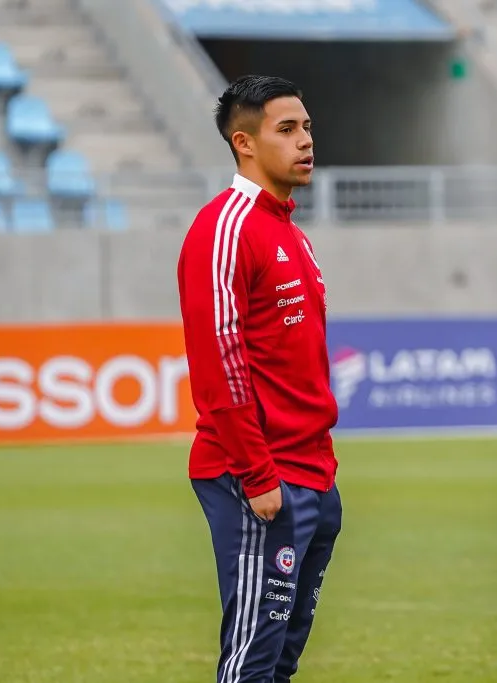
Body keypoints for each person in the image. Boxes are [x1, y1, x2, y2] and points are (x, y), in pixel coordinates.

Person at [177, 74, 341, 683]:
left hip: (311, 476)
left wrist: (322, 474)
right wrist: (256, 471)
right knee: (251, 658)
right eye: (288, 129)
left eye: (307, 128)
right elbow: (219, 361)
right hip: (257, 477)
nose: (305, 141)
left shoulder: (290, 232)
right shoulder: (225, 228)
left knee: (279, 660)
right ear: (244, 143)